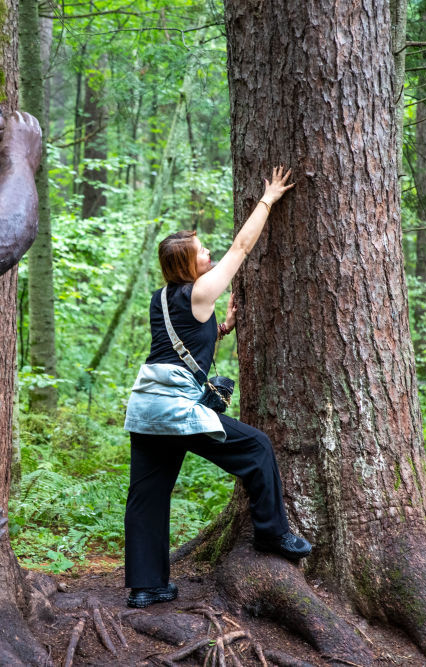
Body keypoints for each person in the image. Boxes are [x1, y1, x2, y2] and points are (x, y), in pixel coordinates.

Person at [123, 166, 310, 609]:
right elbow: (242, 247)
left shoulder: (163, 298)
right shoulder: (202, 290)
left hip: (147, 406)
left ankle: (146, 586)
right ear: (188, 265)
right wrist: (268, 198)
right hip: (176, 411)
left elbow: (179, 345)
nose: (208, 253)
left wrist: (221, 328)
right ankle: (272, 532)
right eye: (201, 251)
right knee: (257, 448)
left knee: (147, 496)